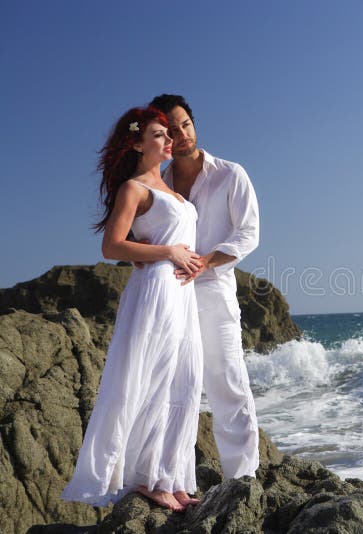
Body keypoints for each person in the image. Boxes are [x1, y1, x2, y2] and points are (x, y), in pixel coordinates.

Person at [61, 107, 204, 511]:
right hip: (157, 288)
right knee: (156, 380)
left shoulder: (173, 189)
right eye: (159, 135)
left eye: (168, 134)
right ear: (138, 143)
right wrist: (169, 252)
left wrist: (190, 262)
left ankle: (174, 478)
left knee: (186, 380)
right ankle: (148, 480)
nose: (168, 140)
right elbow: (112, 246)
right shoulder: (135, 189)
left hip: (181, 292)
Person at [149, 94, 261, 480]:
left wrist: (205, 262)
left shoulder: (230, 174)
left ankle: (243, 479)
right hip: (170, 293)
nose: (181, 135)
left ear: (194, 124)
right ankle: (174, 479)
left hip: (213, 290)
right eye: (171, 130)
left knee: (227, 380)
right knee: (174, 386)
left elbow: (249, 233)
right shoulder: (156, 183)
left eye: (186, 125)